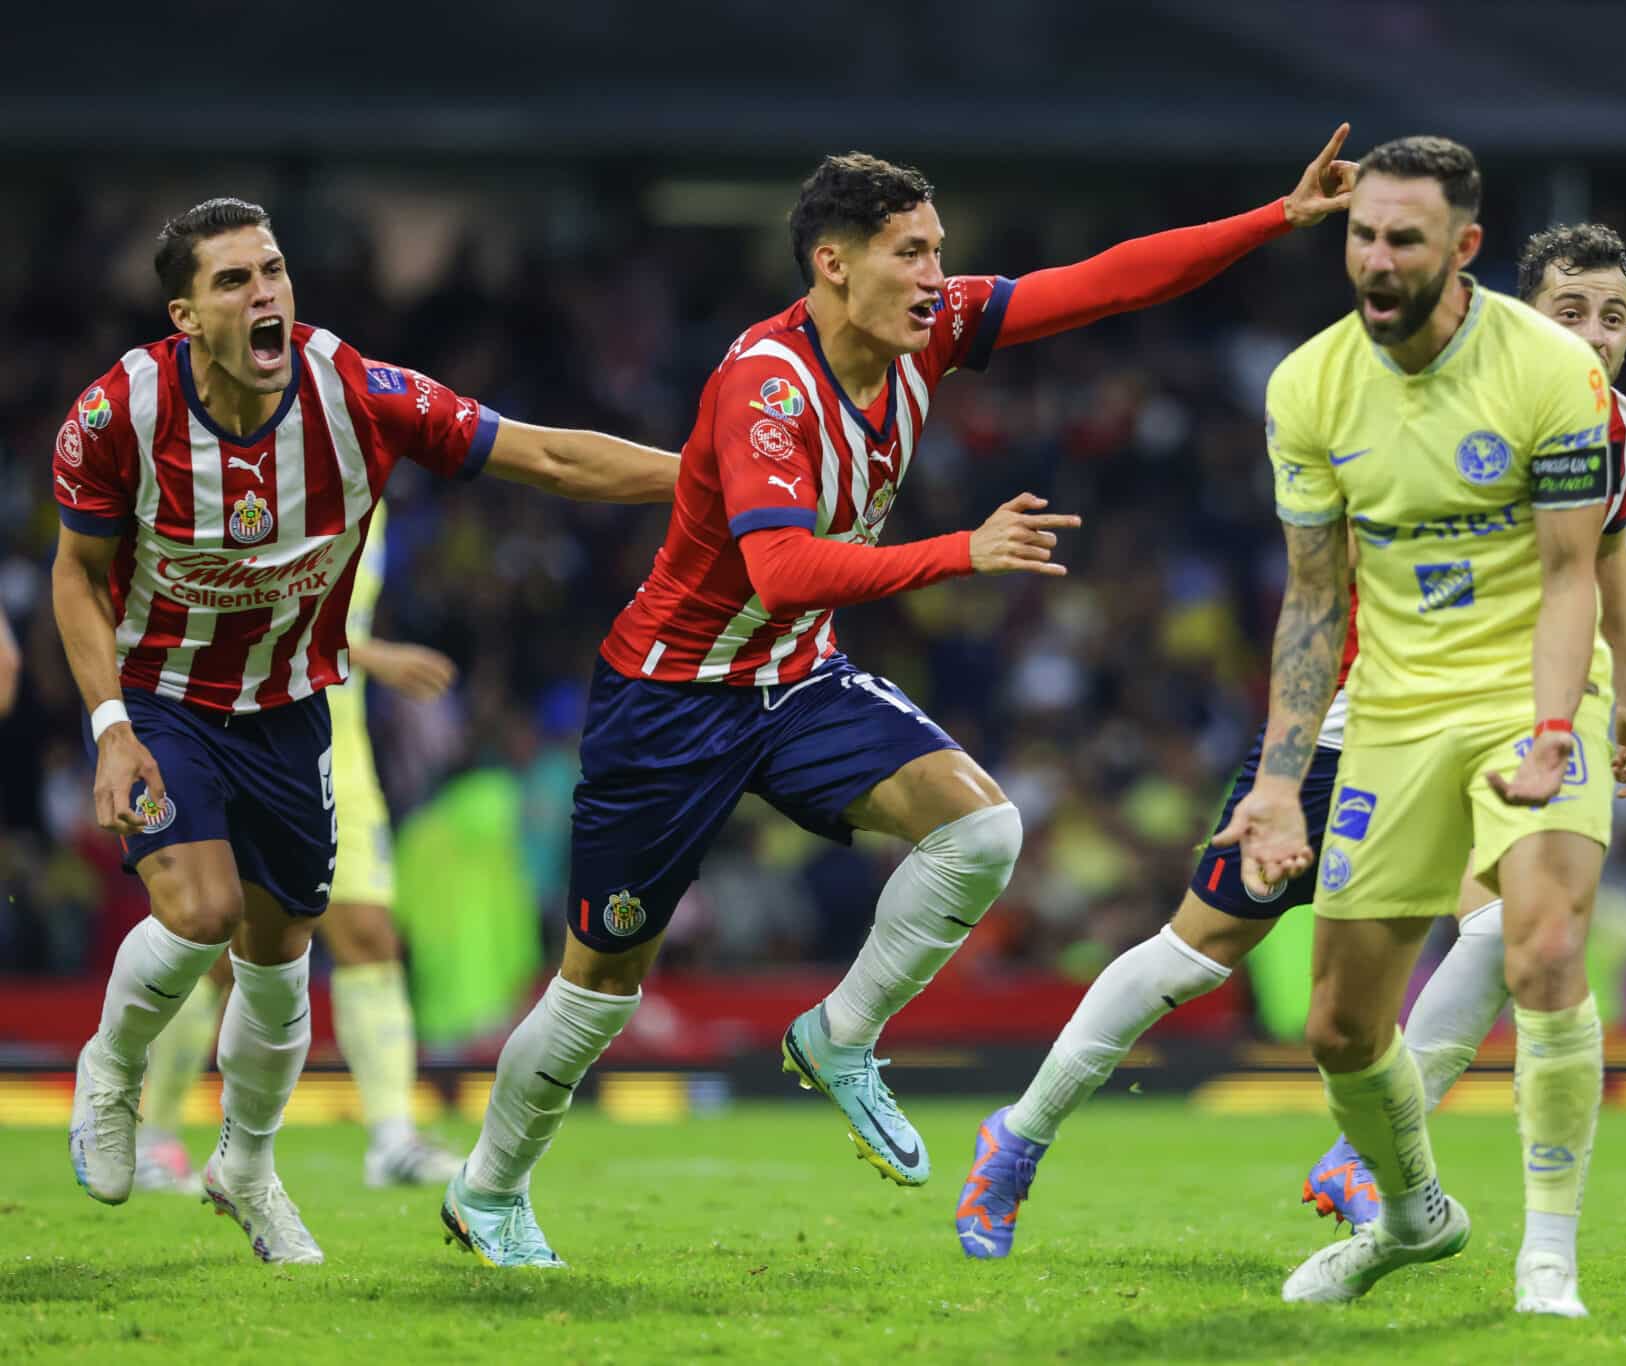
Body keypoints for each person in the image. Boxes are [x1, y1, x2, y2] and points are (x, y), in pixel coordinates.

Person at [440, 131, 1360, 1270]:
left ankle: (840, 1034)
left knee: (981, 826)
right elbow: (780, 569)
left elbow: (1106, 281)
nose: (937, 277)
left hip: (794, 676)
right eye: (910, 254)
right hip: (671, 697)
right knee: (599, 987)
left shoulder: (932, 332)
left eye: (939, 253)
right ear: (833, 264)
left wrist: (1276, 217)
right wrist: (957, 552)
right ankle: (488, 1188)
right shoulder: (764, 386)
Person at [955, 220, 1626, 1268]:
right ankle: (1017, 1133)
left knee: (1517, 925)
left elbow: (1604, 555)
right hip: (1366, 716)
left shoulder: (1620, 431)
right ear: (1520, 316)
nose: (1594, 336)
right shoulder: (1437, 404)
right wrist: (1289, 766)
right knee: (1197, 947)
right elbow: (1323, 581)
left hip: (1501, 715)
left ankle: (1372, 1142)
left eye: (1612, 318)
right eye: (1569, 312)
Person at [53, 197, 681, 1265]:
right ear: (185, 316)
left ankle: (246, 1167)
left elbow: (548, 460)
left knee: (281, 959)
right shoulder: (120, 411)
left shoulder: (354, 390)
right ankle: (110, 1070)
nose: (264, 295)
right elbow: (76, 574)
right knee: (198, 912)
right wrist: (113, 726)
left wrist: (709, 484)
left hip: (293, 709)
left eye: (273, 272)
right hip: (166, 699)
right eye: (233, 282)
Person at [1224, 135, 1624, 1317]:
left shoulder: (1552, 370)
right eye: (1362, 235)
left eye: (1403, 237)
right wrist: (1272, 782)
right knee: (1341, 1026)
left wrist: (1556, 725)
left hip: (1527, 687)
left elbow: (1571, 575)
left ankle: (1546, 1252)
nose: (1375, 259)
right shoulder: (1306, 385)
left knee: (1543, 946)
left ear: (1463, 249)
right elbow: (1311, 596)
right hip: (1393, 707)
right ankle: (1411, 1217)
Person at [132, 502, 471, 1195]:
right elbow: (247, 604)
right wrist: (374, 655)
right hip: (244, 731)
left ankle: (393, 1138)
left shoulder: (373, 501)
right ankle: (150, 1135)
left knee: (369, 933)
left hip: (336, 741)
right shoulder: (285, 473)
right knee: (218, 943)